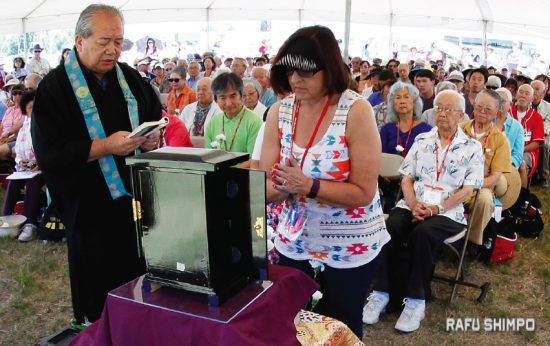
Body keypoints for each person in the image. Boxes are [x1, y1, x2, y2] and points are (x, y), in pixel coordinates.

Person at [32, 4, 162, 324]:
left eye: (118, 42)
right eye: (104, 41)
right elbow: (50, 152)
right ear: (80, 41)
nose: (112, 50)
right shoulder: (55, 88)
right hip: (88, 207)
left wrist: (150, 140)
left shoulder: (130, 79)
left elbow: (153, 120)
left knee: (137, 284)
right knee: (98, 292)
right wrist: (106, 146)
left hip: (133, 205)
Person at [262, 25, 390, 339]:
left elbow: (363, 192)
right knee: (291, 325)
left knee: (340, 329)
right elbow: (264, 183)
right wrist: (280, 186)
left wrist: (309, 186)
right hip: (295, 242)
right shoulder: (279, 112)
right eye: (290, 72)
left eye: (305, 73)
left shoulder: (355, 111)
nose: (295, 80)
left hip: (349, 248)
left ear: (329, 69)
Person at [363, 89, 484, 333]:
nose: (442, 113)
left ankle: (416, 301)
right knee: (390, 227)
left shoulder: (472, 147)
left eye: (449, 109)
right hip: (414, 202)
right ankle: (381, 292)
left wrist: (437, 207)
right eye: (439, 108)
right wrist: (414, 202)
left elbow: (468, 189)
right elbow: (407, 177)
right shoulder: (422, 141)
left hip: (447, 212)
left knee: (423, 234)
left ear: (461, 115)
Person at [460, 89, 512, 245]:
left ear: (497, 113)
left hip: (480, 184)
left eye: (488, 109)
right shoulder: (459, 129)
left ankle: (469, 241)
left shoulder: (501, 140)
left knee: (485, 201)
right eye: (479, 106)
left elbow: (495, 177)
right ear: (473, 106)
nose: (482, 111)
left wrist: (471, 184)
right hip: (452, 177)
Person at [2, 90, 45, 242]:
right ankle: (5, 221)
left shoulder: (45, 123)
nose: (33, 110)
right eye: (30, 107)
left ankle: (30, 223)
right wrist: (21, 162)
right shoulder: (25, 124)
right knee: (13, 182)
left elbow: (50, 149)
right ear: (25, 110)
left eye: (35, 106)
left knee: (33, 182)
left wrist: (38, 163)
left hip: (44, 168)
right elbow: (19, 150)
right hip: (25, 169)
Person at [204, 72, 261, 168]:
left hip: (244, 177)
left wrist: (228, 172)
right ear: (216, 100)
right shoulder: (213, 123)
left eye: (233, 96)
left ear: (241, 95)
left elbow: (254, 160)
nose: (229, 103)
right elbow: (208, 157)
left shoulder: (254, 122)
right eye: (222, 97)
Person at [380, 82, 432, 157]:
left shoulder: (426, 130)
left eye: (406, 97)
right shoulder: (386, 130)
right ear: (393, 103)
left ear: (414, 102)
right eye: (398, 98)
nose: (402, 101)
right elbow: (382, 158)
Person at [510, 84, 545, 187]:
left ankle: (522, 195)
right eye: (521, 92)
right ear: (516, 95)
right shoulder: (507, 112)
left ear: (532, 98)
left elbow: (537, 143)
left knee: (521, 164)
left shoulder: (537, 117)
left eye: (527, 93)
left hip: (527, 151)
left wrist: (519, 150)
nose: (523, 95)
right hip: (505, 148)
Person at [495, 88, 524, 170]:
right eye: (496, 100)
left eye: (503, 101)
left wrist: (506, 164)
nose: (499, 103)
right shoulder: (486, 121)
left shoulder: (517, 127)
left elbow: (517, 155)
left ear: (510, 105)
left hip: (507, 165)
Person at [530, 80, 550, 186]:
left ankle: (543, 176)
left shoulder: (548, 107)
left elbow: (547, 126)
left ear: (543, 93)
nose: (533, 91)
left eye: (537, 89)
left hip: (542, 135)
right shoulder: (525, 103)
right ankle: (530, 173)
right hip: (526, 133)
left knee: (544, 145)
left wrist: (537, 134)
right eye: (532, 88)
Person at [0, 84, 24, 159]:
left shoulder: (25, 110)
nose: (16, 95)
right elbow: (2, 126)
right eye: (14, 93)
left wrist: (9, 139)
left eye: (19, 93)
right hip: (3, 138)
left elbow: (22, 131)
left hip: (16, 140)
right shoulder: (9, 110)